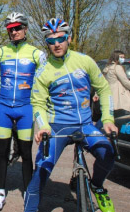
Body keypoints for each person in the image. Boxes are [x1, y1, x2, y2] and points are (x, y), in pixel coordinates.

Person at [24, 18, 118, 212]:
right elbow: (38, 103)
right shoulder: (43, 71)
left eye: (61, 39)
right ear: (47, 43)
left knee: (108, 154)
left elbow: (104, 89)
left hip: (85, 124)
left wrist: (108, 120)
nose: (56, 44)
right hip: (57, 126)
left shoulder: (84, 61)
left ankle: (97, 186)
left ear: (69, 38)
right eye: (51, 41)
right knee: (39, 175)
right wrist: (43, 126)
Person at [0, 12, 46, 209]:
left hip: (26, 108)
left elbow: (43, 81)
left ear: (25, 29)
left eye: (18, 28)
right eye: (10, 29)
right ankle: (0, 191)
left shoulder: (36, 54)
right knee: (2, 152)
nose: (14, 32)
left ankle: (28, 191)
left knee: (26, 153)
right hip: (4, 108)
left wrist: (36, 102)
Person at [103, 50, 130, 117]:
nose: (123, 59)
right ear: (116, 57)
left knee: (112, 115)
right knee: (123, 116)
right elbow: (125, 81)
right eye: (121, 57)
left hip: (110, 93)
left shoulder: (108, 67)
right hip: (120, 94)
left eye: (123, 57)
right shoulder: (117, 67)